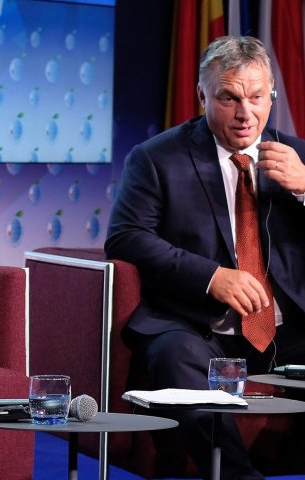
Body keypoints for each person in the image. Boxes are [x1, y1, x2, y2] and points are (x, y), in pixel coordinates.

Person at [106, 35, 305, 479]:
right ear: (202, 94)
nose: (245, 113)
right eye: (229, 98)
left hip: (286, 330)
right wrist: (212, 276)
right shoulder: (157, 158)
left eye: (257, 98)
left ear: (272, 93)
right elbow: (125, 237)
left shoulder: (298, 157)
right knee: (173, 356)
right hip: (196, 327)